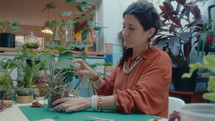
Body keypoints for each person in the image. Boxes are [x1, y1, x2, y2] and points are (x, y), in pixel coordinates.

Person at [52, 0, 172, 118]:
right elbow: (109, 91)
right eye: (124, 26)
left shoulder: (160, 59)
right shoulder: (125, 60)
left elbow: (139, 98)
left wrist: (90, 101)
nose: (124, 33)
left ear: (150, 32)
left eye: (131, 28)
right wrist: (94, 77)